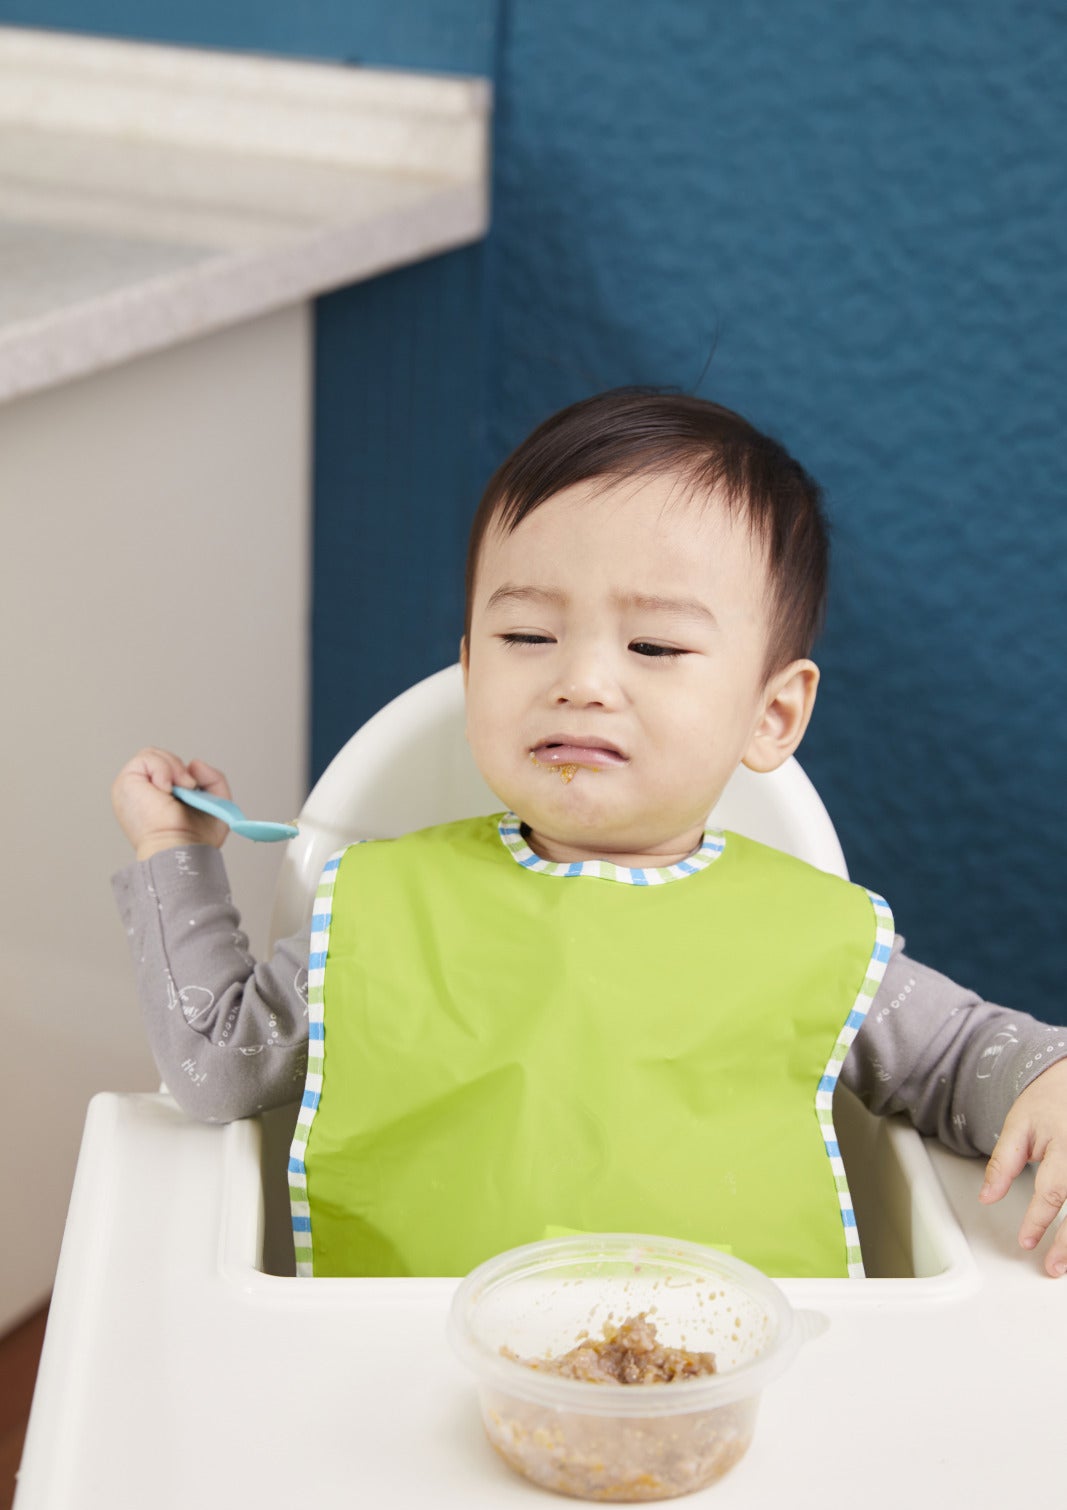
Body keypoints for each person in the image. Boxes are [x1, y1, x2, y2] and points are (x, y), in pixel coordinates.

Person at [112, 388, 1067, 1278]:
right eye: (527, 637)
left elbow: (964, 1060)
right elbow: (215, 1065)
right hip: (412, 1378)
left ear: (771, 715)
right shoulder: (381, 908)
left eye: (653, 646)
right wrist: (176, 853)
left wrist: (1051, 1076)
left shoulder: (813, 938)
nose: (581, 680)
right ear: (471, 671)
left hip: (731, 1394)